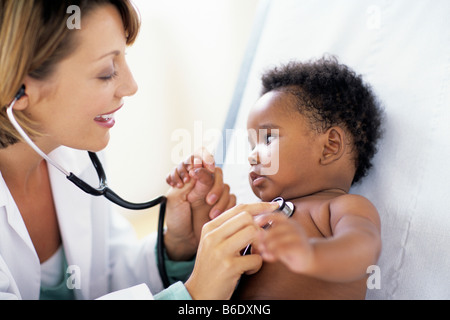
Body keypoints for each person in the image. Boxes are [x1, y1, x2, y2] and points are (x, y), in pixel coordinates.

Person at [0, 0, 277, 300]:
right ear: (20, 88)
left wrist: (176, 245)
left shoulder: (74, 155)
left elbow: (104, 279)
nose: (130, 86)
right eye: (106, 72)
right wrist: (192, 296)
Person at [169, 57, 384, 299]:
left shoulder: (339, 207)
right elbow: (210, 269)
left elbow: (365, 248)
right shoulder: (260, 216)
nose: (252, 156)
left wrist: (312, 254)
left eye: (268, 138)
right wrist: (199, 203)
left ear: (329, 146)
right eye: (252, 145)